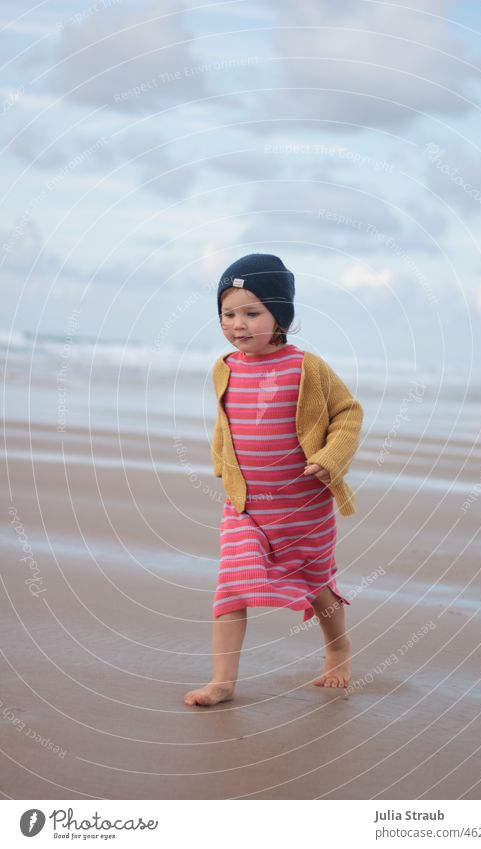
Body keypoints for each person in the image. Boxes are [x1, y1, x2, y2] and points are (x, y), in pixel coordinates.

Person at [184, 253, 364, 707]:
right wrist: (222, 467)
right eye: (228, 313)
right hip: (246, 506)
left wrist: (330, 458)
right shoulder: (223, 367)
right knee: (230, 585)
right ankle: (222, 681)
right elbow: (225, 425)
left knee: (315, 581)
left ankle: (337, 650)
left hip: (303, 504)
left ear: (280, 317)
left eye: (252, 312)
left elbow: (348, 413)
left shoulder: (308, 368)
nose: (237, 324)